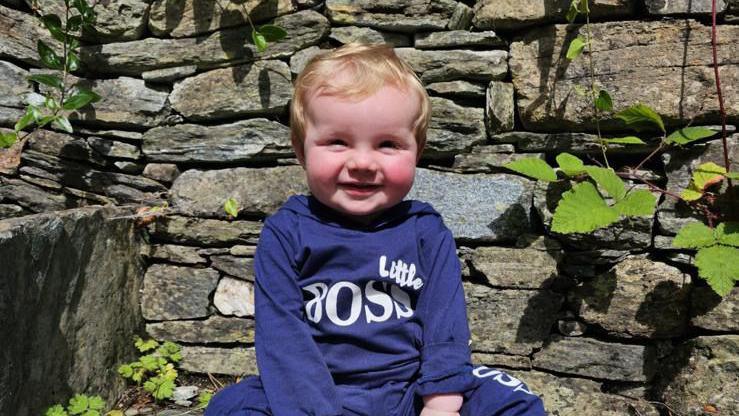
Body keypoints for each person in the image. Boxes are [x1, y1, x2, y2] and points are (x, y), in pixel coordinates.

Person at [205, 43, 546, 416]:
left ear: (417, 151)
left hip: (412, 388)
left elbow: (444, 323)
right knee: (232, 406)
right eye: (337, 142)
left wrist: (441, 403)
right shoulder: (286, 233)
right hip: (321, 391)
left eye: (387, 144)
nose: (363, 162)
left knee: (515, 400)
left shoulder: (425, 232)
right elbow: (283, 341)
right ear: (301, 150)